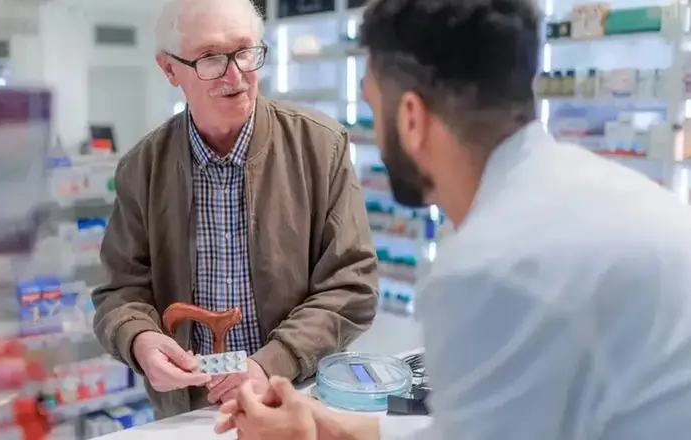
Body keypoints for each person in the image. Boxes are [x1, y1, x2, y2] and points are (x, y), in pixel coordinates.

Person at [215, 0, 691, 439]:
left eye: (372, 107)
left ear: (411, 118)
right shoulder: (605, 192)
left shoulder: (490, 267)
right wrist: (339, 433)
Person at [91, 0, 379, 419]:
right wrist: (139, 339)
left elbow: (352, 286)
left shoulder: (321, 147)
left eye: (245, 51)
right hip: (187, 412)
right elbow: (120, 291)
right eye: (210, 58)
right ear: (170, 69)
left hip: (293, 399)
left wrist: (271, 364)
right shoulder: (142, 168)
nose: (236, 75)